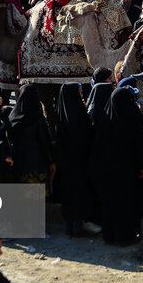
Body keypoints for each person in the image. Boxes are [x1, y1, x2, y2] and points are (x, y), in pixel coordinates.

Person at [94, 86, 143, 245]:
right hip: (127, 171)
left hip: (108, 171)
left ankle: (109, 235)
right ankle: (125, 237)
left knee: (110, 204)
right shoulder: (131, 118)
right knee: (125, 203)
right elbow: (138, 145)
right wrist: (140, 167)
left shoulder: (104, 120)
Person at [56, 83, 94, 237]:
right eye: (78, 92)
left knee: (68, 195)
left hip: (65, 163)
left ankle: (69, 227)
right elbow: (85, 136)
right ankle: (78, 227)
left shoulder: (61, 113)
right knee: (79, 193)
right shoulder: (78, 113)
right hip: (79, 162)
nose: (81, 95)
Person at [8, 84, 53, 185]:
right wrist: (51, 159)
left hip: (19, 162)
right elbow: (45, 141)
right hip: (37, 163)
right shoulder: (38, 118)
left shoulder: (13, 117)